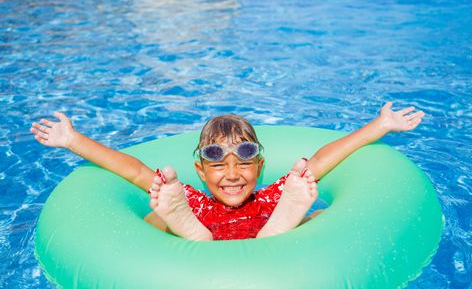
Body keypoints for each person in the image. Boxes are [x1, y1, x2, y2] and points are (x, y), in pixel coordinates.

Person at [30, 102, 424, 241]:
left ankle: (275, 226)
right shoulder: (192, 199)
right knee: (157, 215)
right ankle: (195, 233)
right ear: (200, 171)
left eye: (244, 163)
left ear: (261, 166)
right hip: (220, 226)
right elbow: (133, 169)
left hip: (255, 224)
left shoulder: (272, 194)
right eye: (218, 165)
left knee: (316, 213)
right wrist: (72, 139)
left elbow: (321, 160)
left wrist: (380, 125)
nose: (232, 174)